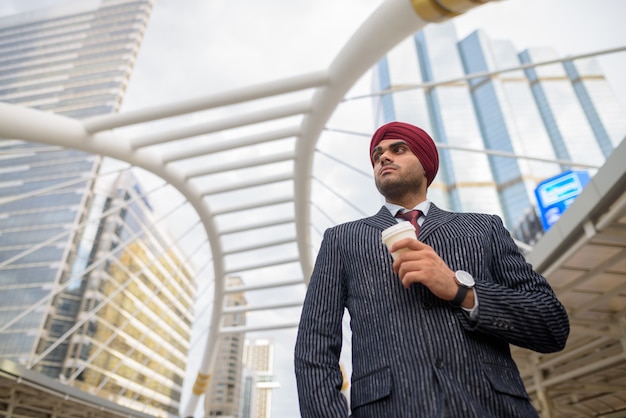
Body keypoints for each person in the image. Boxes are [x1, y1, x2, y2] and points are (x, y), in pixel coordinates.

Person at [294, 121, 569, 418]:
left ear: (425, 164)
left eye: (398, 149)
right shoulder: (342, 240)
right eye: (377, 155)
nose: (384, 157)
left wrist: (462, 290)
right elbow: (314, 349)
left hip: (493, 408)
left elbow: (551, 324)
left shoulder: (483, 228)